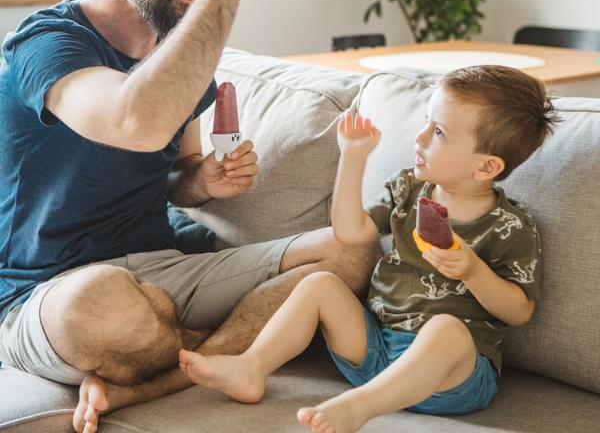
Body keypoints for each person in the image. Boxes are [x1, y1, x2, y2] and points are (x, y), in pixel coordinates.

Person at [0, 0, 380, 433]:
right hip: (51, 290)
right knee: (100, 304)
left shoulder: (176, 52)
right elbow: (134, 120)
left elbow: (179, 172)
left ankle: (154, 376)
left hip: (163, 269)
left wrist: (203, 179)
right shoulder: (46, 43)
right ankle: (228, 348)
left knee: (352, 247)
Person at [178, 65, 560, 433]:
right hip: (376, 349)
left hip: (451, 378)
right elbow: (349, 231)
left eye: (439, 132)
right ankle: (252, 367)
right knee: (320, 284)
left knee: (447, 329)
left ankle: (361, 407)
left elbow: (519, 310)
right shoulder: (409, 189)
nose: (420, 137)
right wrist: (353, 157)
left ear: (486, 167)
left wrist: (472, 271)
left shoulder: (510, 226)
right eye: (426, 122)